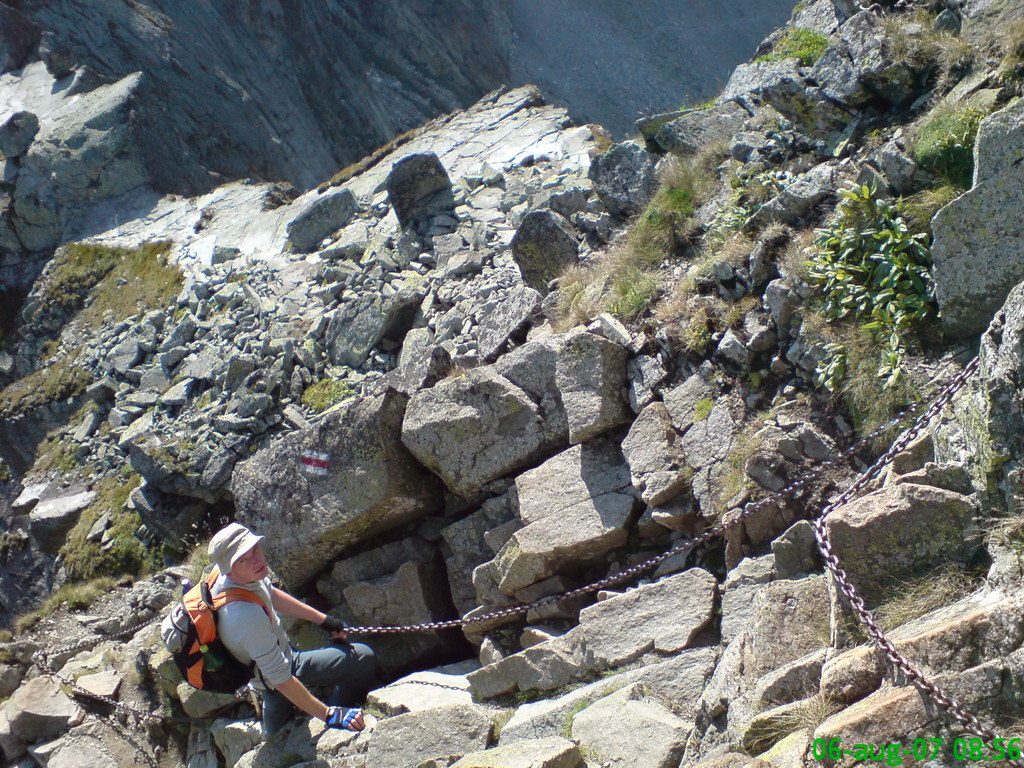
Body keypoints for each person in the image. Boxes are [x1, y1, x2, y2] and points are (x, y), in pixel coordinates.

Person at [207, 522, 378, 737]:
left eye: (255, 549)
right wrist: (330, 714)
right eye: (244, 558)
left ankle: (314, 703)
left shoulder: (237, 577)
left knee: (363, 657)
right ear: (229, 568)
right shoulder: (244, 616)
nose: (257, 560)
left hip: (281, 660)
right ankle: (328, 708)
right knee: (279, 742)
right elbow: (279, 677)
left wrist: (324, 620)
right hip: (273, 680)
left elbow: (269, 593)